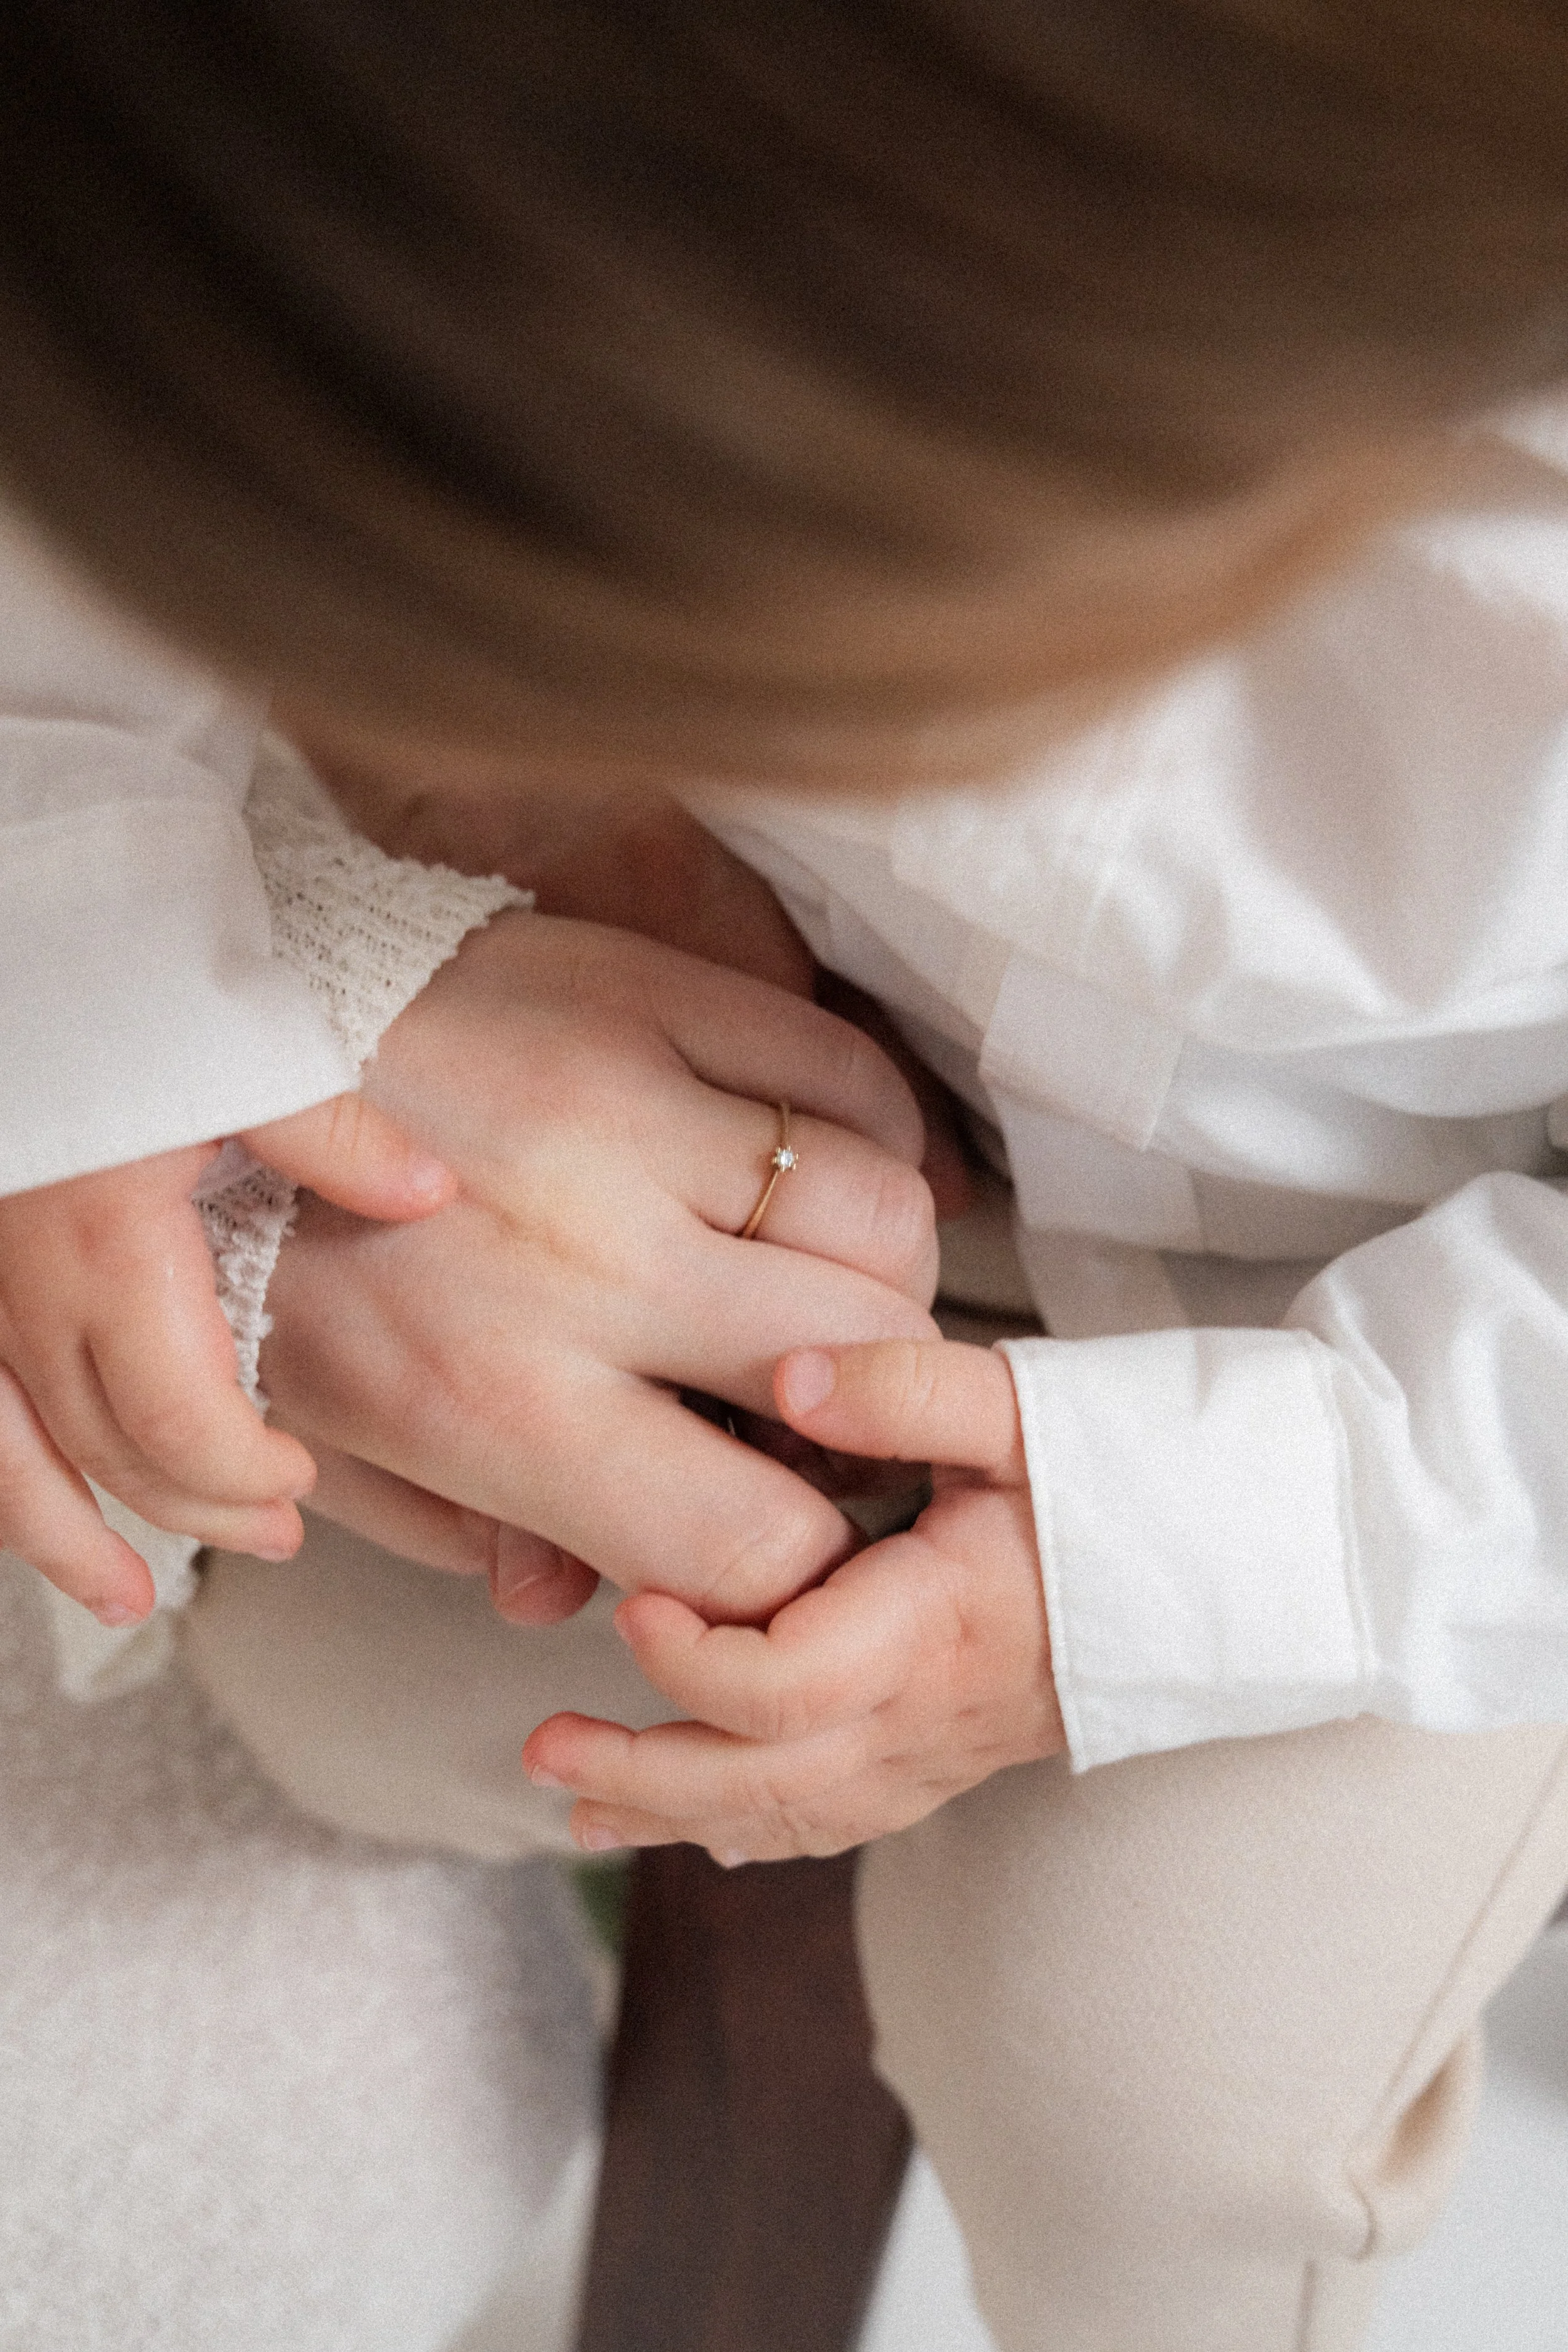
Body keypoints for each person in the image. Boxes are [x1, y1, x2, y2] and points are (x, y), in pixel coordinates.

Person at [4, 4, 1568, 2347]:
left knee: (1144, 2066)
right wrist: (104, 973)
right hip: (708, 959)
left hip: (1445, 1337)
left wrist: (1205, 1550)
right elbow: (145, 320)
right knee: (329, 1674)